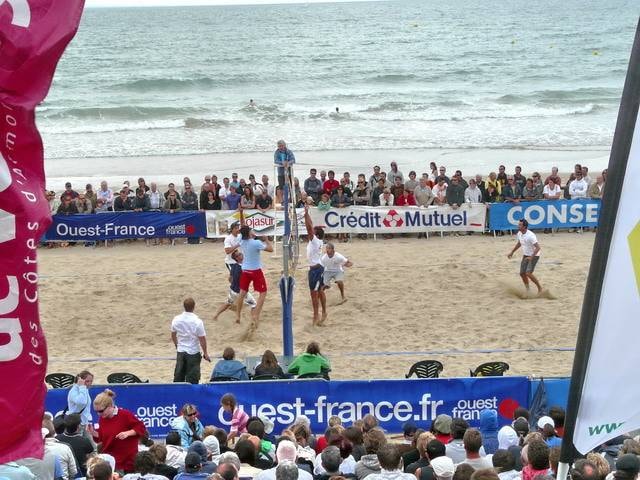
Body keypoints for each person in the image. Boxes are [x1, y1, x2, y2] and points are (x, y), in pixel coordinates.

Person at [93, 389, 147, 473]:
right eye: (96, 411)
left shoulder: (125, 415)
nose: (99, 414)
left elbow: (142, 428)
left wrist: (128, 433)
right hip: (110, 462)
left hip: (126, 463)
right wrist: (93, 433)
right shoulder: (102, 419)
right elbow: (102, 439)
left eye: (101, 411)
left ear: (110, 406)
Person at [234, 222, 273, 332]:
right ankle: (256, 314)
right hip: (255, 270)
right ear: (249, 233)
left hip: (245, 270)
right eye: (251, 230)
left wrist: (252, 235)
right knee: (263, 292)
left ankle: (238, 315)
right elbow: (271, 249)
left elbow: (243, 229)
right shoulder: (256, 243)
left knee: (242, 293)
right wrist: (266, 240)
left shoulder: (241, 240)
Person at [171, 297, 211, 384]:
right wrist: (205, 353)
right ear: (194, 307)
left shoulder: (176, 319)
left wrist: (177, 345)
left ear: (184, 306)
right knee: (193, 379)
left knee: (178, 378)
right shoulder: (197, 322)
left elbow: (173, 334)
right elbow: (202, 339)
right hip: (193, 351)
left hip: (181, 350)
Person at [214, 250, 257, 321]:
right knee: (254, 304)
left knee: (228, 303)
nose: (241, 254)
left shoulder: (234, 266)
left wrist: (234, 284)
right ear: (237, 258)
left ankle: (216, 315)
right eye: (239, 254)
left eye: (240, 253)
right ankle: (253, 320)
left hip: (232, 290)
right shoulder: (244, 268)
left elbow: (230, 279)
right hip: (241, 291)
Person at [304, 205, 328, 326]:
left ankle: (316, 316)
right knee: (319, 291)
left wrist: (305, 216)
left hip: (316, 270)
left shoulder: (315, 241)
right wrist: (307, 213)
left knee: (315, 294)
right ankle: (322, 312)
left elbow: (309, 228)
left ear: (316, 235)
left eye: (314, 232)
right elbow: (311, 225)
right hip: (315, 269)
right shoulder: (316, 241)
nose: (312, 232)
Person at [507, 219, 543, 294]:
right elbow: (519, 243)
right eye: (518, 224)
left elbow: (538, 248)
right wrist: (512, 252)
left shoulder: (531, 236)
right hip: (526, 255)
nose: (518, 226)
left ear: (524, 227)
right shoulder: (519, 233)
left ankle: (540, 288)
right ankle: (528, 290)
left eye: (520, 225)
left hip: (534, 255)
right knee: (522, 273)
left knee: (528, 273)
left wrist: (531, 257)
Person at [67, 370, 95, 440]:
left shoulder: (84, 389)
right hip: (77, 424)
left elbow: (86, 408)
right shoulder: (74, 391)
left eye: (91, 381)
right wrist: (82, 386)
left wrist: (88, 422)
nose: (90, 383)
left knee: (91, 445)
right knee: (79, 444)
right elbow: (82, 402)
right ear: (80, 380)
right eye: (87, 381)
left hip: (84, 423)